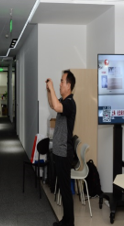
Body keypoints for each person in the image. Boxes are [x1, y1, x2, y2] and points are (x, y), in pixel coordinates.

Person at [46, 71, 77, 226]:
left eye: (62, 81)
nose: (59, 84)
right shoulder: (63, 101)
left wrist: (52, 87)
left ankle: (69, 223)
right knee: (63, 189)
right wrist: (48, 90)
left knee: (66, 190)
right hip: (59, 152)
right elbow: (53, 105)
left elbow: (57, 107)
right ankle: (66, 220)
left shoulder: (70, 103)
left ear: (68, 85)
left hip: (64, 153)